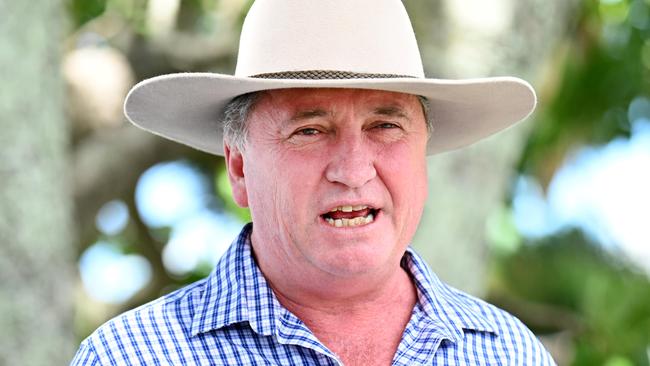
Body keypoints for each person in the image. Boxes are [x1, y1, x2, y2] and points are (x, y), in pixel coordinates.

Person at [71, 0, 556, 365]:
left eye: (385, 126)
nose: (353, 170)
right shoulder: (133, 356)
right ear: (239, 167)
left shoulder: (509, 353)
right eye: (309, 131)